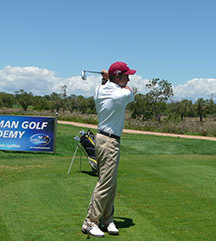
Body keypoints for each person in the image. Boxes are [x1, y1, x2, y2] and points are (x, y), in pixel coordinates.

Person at [81, 61, 136, 237]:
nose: (128, 78)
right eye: (126, 75)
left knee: (110, 182)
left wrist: (107, 79)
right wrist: (110, 78)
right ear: (118, 76)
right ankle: (90, 222)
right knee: (105, 183)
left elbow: (108, 85)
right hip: (109, 142)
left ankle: (107, 219)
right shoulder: (118, 94)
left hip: (102, 138)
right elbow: (130, 92)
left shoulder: (100, 89)